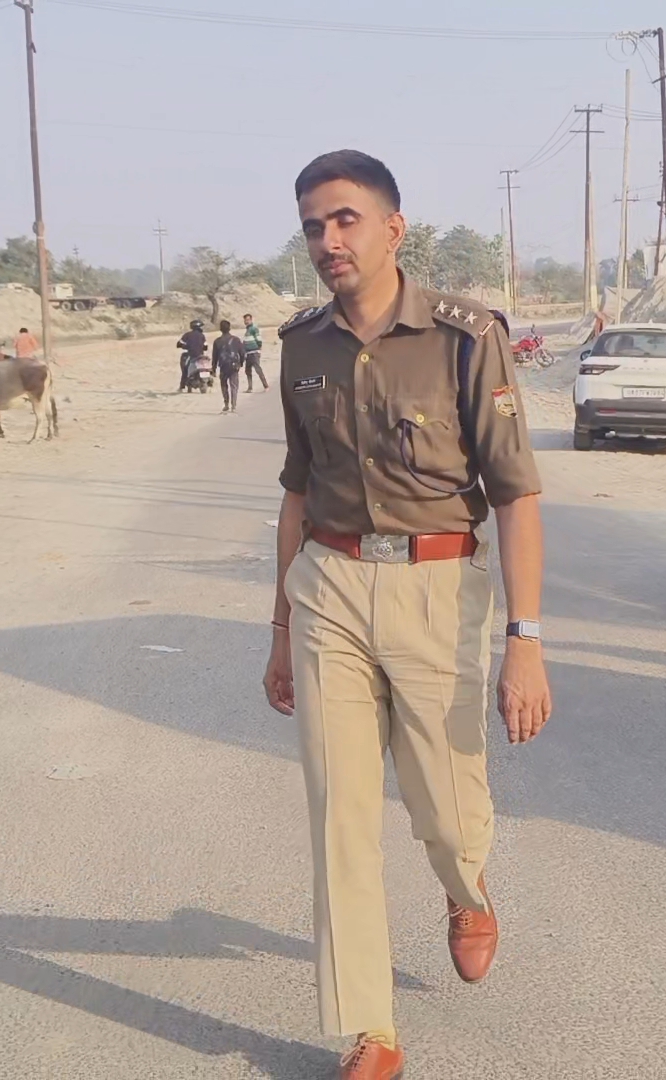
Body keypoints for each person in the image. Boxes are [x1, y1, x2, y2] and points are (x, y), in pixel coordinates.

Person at [264, 149, 553, 1080]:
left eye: (345, 219)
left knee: (446, 804)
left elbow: (514, 495)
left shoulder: (466, 338)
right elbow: (297, 493)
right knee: (339, 813)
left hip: (438, 587)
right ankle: (370, 1029)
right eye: (313, 225)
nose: (328, 240)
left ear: (394, 228)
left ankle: (466, 887)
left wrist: (525, 641)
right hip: (330, 587)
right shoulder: (301, 346)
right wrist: (280, 632)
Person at [211, 319, 246, 413]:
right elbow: (242, 353)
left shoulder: (217, 341)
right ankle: (233, 406)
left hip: (223, 366)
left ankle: (226, 404)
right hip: (234, 366)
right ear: (229, 328)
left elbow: (214, 357)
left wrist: (213, 369)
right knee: (234, 386)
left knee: (224, 385)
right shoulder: (236, 340)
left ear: (220, 329)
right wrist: (241, 363)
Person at [176, 319, 207, 393]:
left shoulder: (187, 335)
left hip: (191, 355)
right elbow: (205, 347)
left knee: (185, 369)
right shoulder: (202, 336)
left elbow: (179, 344)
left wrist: (186, 346)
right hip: (200, 355)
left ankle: (182, 386)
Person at [241, 313, 269, 391]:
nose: (246, 321)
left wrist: (258, 348)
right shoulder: (247, 330)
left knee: (258, 369)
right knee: (248, 371)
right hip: (248, 353)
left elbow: (258, 339)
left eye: (248, 320)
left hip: (254, 352)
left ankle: (266, 386)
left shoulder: (254, 329)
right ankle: (250, 388)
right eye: (245, 320)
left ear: (251, 320)